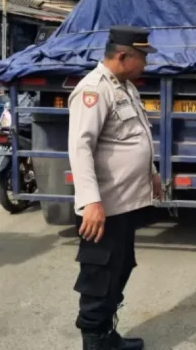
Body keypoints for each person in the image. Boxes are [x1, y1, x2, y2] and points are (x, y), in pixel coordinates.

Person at [68, 26, 161, 350]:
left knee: (120, 268)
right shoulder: (93, 90)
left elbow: (136, 137)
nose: (146, 65)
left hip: (124, 202)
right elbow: (80, 148)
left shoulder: (125, 87)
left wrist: (152, 172)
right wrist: (91, 202)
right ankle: (95, 341)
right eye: (143, 58)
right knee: (99, 276)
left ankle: (107, 335)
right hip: (104, 206)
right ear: (123, 56)